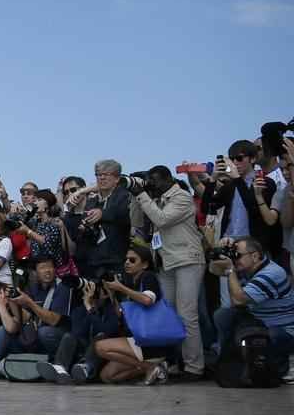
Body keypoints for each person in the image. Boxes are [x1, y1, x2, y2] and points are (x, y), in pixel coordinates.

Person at [129, 165, 205, 380]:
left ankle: (194, 367)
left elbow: (161, 219)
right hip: (166, 262)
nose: (151, 184)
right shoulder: (155, 199)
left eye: (154, 180)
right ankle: (174, 362)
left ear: (168, 179)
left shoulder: (181, 197)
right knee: (169, 317)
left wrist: (142, 194)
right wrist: (137, 196)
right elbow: (137, 224)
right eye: (148, 181)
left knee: (187, 315)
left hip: (187, 260)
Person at [209, 236, 294, 365]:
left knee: (267, 337)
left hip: (282, 330)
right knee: (222, 315)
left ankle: (280, 364)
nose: (235, 259)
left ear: (254, 256)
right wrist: (222, 252)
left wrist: (230, 269)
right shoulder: (247, 267)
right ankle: (226, 360)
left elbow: (239, 300)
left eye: (238, 255)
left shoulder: (271, 273)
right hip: (258, 322)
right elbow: (213, 269)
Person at [93, 244, 169, 385]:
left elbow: (147, 300)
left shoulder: (148, 277)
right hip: (138, 341)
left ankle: (150, 367)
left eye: (133, 260)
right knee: (107, 376)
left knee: (100, 347)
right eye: (126, 259)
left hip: (150, 341)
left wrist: (121, 288)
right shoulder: (133, 283)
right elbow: (122, 316)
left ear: (145, 264)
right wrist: (112, 295)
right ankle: (159, 368)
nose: (127, 262)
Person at [207, 140, 282, 259]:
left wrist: (237, 178)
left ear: (252, 159)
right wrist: (212, 180)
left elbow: (253, 209)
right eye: (232, 159)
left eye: (239, 158)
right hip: (229, 243)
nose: (235, 163)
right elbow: (206, 207)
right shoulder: (230, 186)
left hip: (254, 247)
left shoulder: (265, 181)